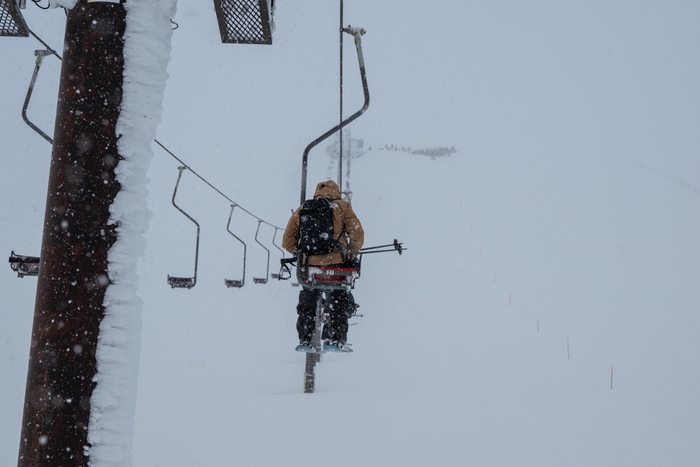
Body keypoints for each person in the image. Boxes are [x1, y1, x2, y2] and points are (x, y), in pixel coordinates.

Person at [282, 180, 364, 352]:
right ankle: (335, 339)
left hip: (310, 266)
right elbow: (356, 234)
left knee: (308, 300)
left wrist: (301, 253)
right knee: (338, 299)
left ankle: (305, 340)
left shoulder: (304, 208)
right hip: (336, 264)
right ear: (336, 191)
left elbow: (287, 240)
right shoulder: (342, 207)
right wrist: (351, 254)